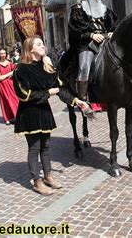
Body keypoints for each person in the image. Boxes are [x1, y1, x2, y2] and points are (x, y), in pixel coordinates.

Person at [13, 36, 91, 195]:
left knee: (46, 146)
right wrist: (47, 92)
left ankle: (48, 175)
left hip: (44, 112)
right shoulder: (21, 69)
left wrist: (76, 101)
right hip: (29, 113)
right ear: (30, 49)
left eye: (43, 44)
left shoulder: (47, 68)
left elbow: (61, 89)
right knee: (34, 148)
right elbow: (24, 95)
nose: (43, 46)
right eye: (39, 44)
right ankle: (37, 181)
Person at [68, 0, 116, 100]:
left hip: (105, 41)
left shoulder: (104, 9)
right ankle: (83, 98)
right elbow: (75, 29)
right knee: (85, 66)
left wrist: (111, 32)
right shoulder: (78, 9)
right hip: (87, 43)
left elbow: (111, 25)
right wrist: (91, 35)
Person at [0, 49, 19, 125]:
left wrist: (7, 75)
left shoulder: (10, 63)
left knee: (14, 99)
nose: (3, 55)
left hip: (10, 84)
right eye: (1, 53)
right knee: (5, 101)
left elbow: (15, 72)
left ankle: (17, 116)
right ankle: (7, 118)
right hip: (2, 85)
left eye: (4, 53)